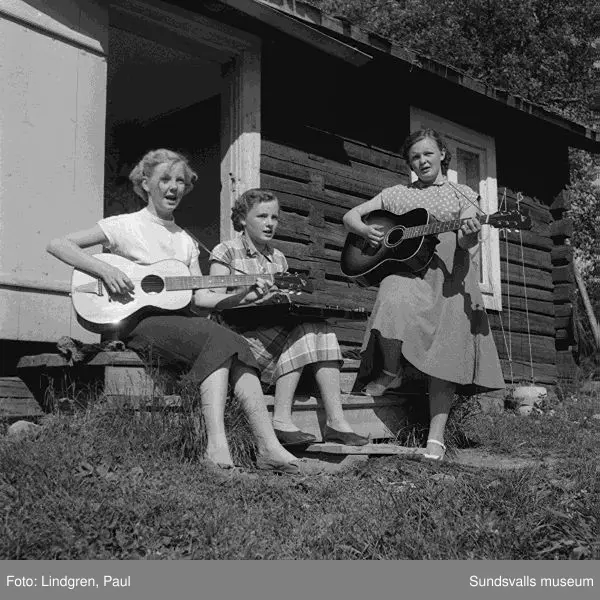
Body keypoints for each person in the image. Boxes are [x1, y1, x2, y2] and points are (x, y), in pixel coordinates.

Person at [47, 149, 302, 474]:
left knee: (235, 342)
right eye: (165, 178)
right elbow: (58, 244)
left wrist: (243, 293)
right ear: (145, 183)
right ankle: (216, 447)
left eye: (180, 180)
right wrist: (103, 270)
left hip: (180, 323)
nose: (173, 186)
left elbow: (200, 301)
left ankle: (268, 447)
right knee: (220, 337)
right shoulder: (125, 225)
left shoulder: (185, 241)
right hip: (136, 321)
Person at [342, 129, 505, 461]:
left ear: (443, 154)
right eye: (415, 157)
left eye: (428, 154)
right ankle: (390, 371)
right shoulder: (396, 194)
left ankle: (435, 437)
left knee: (446, 346)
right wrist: (363, 230)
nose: (422, 161)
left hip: (449, 278)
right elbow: (351, 216)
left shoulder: (462, 194)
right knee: (389, 295)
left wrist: (471, 236)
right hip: (410, 273)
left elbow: (464, 242)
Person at [209, 189, 369, 447]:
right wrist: (248, 297)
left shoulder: (278, 258)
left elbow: (285, 302)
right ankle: (281, 420)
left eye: (274, 217)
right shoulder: (226, 251)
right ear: (241, 219)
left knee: (320, 326)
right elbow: (213, 301)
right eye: (262, 216)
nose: (270, 223)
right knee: (306, 331)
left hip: (275, 335)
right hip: (240, 338)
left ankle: (336, 422)